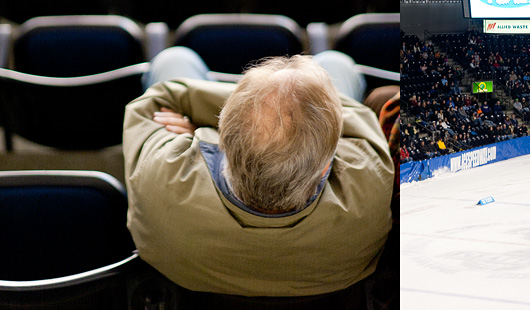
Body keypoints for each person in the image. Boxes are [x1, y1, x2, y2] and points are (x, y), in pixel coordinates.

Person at [122, 47, 394, 297]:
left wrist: (212, 124)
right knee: (336, 63)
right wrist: (289, 108)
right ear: (326, 165)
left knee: (175, 59)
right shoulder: (370, 183)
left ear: (223, 140)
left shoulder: (160, 177)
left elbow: (160, 99)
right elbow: (354, 114)